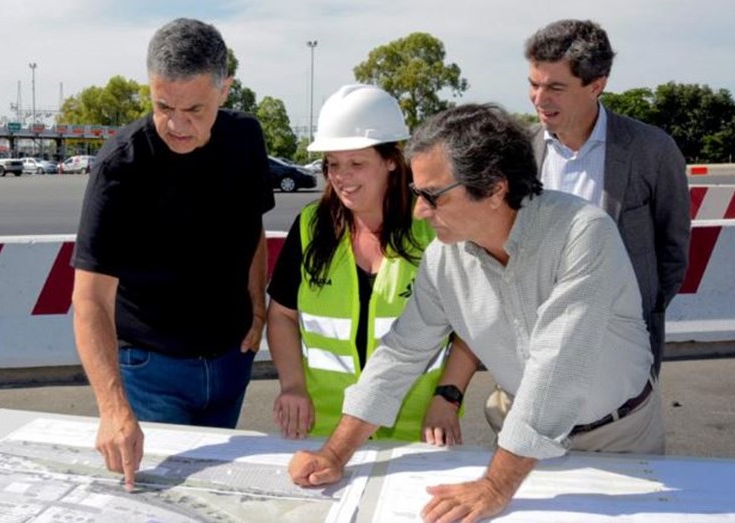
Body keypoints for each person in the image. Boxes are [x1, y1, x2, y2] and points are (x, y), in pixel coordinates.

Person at [288, 104, 662, 522]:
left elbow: (558, 369)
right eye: (416, 194)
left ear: (495, 188)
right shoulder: (443, 258)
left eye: (432, 196)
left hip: (617, 437)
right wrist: (335, 453)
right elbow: (400, 356)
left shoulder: (583, 235)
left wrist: (496, 485)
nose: (419, 212)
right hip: (518, 439)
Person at [71, 18, 274, 491]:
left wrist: (258, 307)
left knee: (211, 496)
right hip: (150, 371)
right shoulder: (119, 167)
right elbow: (89, 301)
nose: (177, 125)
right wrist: (113, 407)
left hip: (232, 361)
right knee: (159, 502)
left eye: (194, 109)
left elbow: (254, 228)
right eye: (163, 106)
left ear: (226, 91)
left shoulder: (246, 139)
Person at [266, 84, 461, 444]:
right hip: (324, 429)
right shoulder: (311, 226)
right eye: (333, 165)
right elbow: (281, 315)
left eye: (357, 163)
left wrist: (447, 399)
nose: (342, 177)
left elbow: (467, 329)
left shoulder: (432, 229)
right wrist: (292, 386)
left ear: (391, 160)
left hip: (416, 431)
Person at [525, 19, 691, 377]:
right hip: (537, 342)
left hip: (622, 342)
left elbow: (672, 246)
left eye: (555, 87)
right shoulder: (519, 152)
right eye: (534, 84)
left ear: (596, 86)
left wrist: (647, 306)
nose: (539, 99)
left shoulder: (652, 150)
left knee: (623, 433)